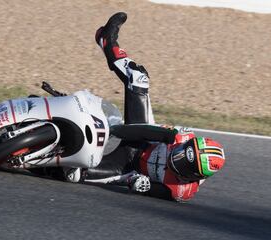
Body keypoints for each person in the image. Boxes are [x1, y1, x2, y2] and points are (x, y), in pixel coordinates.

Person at [68, 12, 226, 202]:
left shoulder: (182, 191)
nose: (176, 159)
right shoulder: (181, 135)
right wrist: (116, 130)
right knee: (138, 78)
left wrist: (141, 184)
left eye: (183, 164)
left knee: (74, 174)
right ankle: (106, 40)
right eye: (181, 153)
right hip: (142, 142)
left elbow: (152, 190)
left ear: (196, 176)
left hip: (128, 168)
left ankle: (32, 160)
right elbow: (145, 132)